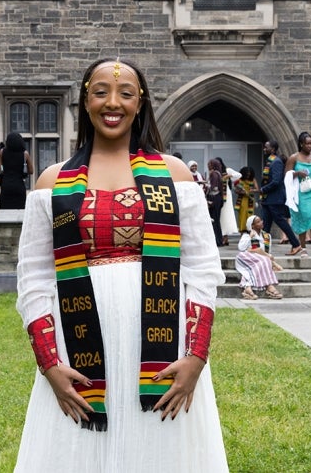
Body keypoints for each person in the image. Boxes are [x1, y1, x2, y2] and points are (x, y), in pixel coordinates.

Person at [14, 57, 228, 472]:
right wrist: (49, 363)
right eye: (101, 92)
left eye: (125, 93)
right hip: (76, 346)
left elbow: (202, 268)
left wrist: (196, 356)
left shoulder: (175, 176)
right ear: (85, 101)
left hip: (164, 349)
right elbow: (35, 277)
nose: (113, 103)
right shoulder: (52, 183)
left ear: (140, 103)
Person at [256, 140, 302, 255]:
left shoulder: (276, 162)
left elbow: (276, 181)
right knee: (265, 225)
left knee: (281, 222)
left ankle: (296, 244)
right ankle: (264, 249)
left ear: (273, 149)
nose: (264, 149)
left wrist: (262, 189)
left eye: (266, 147)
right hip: (268, 199)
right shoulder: (270, 162)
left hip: (275, 199)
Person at [235, 215, 284, 300]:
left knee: (262, 261)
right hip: (245, 258)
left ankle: (247, 288)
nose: (261, 222)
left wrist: (271, 263)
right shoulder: (247, 235)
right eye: (258, 222)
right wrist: (250, 236)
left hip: (260, 258)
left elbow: (267, 252)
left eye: (261, 220)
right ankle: (269, 287)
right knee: (264, 260)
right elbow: (241, 248)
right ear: (252, 226)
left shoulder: (267, 236)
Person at [0, 132, 34, 209]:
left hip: (6, 184)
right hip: (19, 185)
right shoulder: (25, 154)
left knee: (5, 209)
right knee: (20, 209)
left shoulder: (2, 152)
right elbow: (31, 171)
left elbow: (0, 170)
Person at [216, 157, 239, 246]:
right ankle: (222, 237)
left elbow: (238, 175)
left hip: (226, 195)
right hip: (219, 194)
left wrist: (229, 176)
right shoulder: (215, 172)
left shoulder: (227, 170)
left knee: (227, 215)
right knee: (221, 216)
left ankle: (225, 238)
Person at [234, 166, 259, 233]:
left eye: (249, 174)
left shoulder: (253, 179)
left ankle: (250, 231)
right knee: (242, 216)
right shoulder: (240, 180)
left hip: (250, 200)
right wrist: (240, 192)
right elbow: (236, 190)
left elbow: (257, 189)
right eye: (247, 174)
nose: (248, 175)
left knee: (250, 216)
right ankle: (242, 231)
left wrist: (252, 190)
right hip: (242, 200)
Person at [206, 158, 224, 247]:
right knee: (217, 220)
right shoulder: (219, 174)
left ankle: (217, 241)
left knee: (214, 220)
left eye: (209, 164)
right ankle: (219, 240)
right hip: (218, 199)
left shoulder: (213, 174)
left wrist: (205, 185)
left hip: (214, 198)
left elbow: (213, 187)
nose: (208, 166)